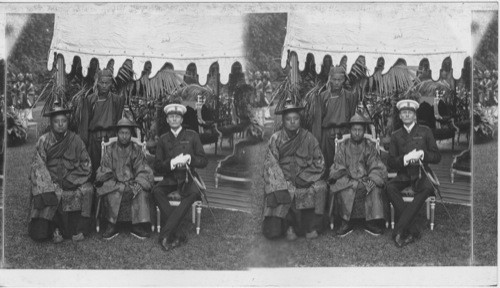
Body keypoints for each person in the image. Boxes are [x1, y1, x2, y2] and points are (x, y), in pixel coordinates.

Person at [28, 104, 93, 243]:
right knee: (53, 193)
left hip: (72, 179)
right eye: (56, 122)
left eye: (64, 121)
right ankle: (54, 230)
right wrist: (50, 182)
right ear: (51, 123)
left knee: (87, 190)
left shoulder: (76, 140)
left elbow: (86, 164)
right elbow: (37, 166)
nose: (60, 125)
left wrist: (71, 179)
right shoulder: (43, 140)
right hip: (50, 180)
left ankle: (80, 230)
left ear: (68, 122)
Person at [262, 101, 327, 240]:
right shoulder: (276, 138)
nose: (292, 122)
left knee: (320, 188)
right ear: (283, 121)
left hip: (305, 178)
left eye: (296, 119)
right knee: (286, 190)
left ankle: (311, 227)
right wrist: (283, 181)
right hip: (283, 178)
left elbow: (319, 162)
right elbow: (270, 164)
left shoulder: (308, 138)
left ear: (300, 120)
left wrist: (303, 177)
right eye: (288, 119)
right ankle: (288, 228)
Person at [386, 99, 441, 248]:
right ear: (400, 116)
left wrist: (423, 154)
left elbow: (437, 157)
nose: (407, 115)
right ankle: (413, 229)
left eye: (410, 112)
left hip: (422, 175)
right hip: (404, 175)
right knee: (390, 187)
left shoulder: (425, 131)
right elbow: (390, 162)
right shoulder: (396, 135)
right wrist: (405, 159)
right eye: (404, 113)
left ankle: (399, 230)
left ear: (415, 115)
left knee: (428, 188)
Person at [153, 103, 208, 251]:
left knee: (195, 193)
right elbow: (157, 166)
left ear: (181, 119)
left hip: (188, 179)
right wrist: (172, 163)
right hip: (171, 179)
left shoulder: (192, 136)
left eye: (177, 116)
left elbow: (204, 161)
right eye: (171, 117)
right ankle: (178, 233)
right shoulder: (163, 139)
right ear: (167, 120)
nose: (174, 119)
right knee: (157, 191)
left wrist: (191, 158)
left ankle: (166, 234)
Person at [329, 114, 388, 237]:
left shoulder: (370, 147)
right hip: (347, 180)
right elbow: (338, 166)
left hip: (366, 180)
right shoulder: (342, 147)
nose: (357, 133)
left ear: (364, 131)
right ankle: (346, 222)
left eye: (360, 130)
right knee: (342, 188)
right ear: (350, 131)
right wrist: (352, 181)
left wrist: (371, 179)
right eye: (354, 130)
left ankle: (370, 222)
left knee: (374, 187)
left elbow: (377, 166)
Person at [95, 118, 154, 240]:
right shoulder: (110, 150)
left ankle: (136, 225)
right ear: (117, 134)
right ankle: (112, 225)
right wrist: (114, 182)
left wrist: (138, 182)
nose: (124, 136)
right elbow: (104, 169)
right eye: (121, 133)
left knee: (140, 190)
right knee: (109, 190)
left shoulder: (136, 150)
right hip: (114, 183)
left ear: (130, 134)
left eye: (127, 133)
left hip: (133, 183)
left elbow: (143, 169)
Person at [311, 65, 359, 175]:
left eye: (340, 80)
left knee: (343, 164)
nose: (337, 82)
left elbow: (352, 117)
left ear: (343, 80)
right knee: (327, 165)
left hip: (344, 134)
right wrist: (316, 142)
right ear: (330, 79)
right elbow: (317, 121)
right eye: (334, 79)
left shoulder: (349, 97)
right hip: (327, 135)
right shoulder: (323, 97)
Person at [78, 68, 125, 180]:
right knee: (94, 168)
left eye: (107, 83)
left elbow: (118, 120)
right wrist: (84, 144)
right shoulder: (90, 100)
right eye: (101, 82)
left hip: (111, 138)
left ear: (111, 84)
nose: (104, 85)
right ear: (97, 83)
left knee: (110, 168)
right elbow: (84, 124)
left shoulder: (116, 100)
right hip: (94, 139)